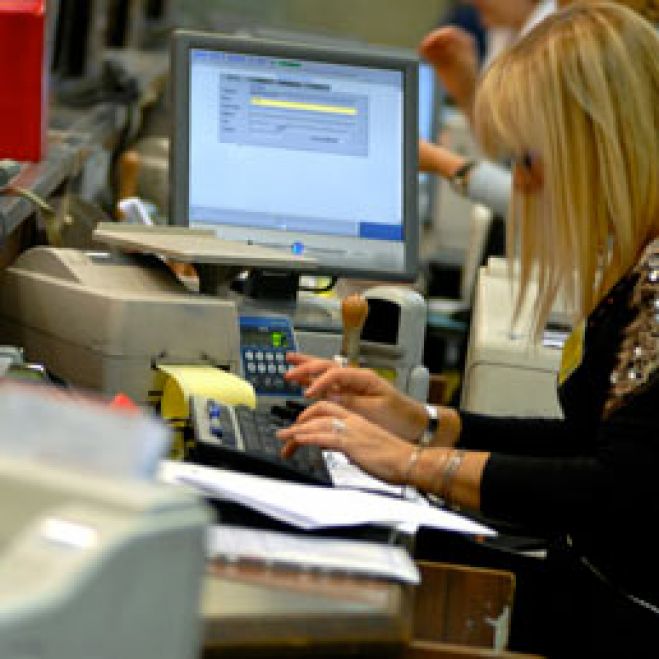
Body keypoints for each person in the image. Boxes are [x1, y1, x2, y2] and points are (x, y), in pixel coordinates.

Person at [279, 4, 659, 655]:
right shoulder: (637, 262)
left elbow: (614, 487)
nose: (519, 183)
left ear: (599, 147)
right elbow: (588, 439)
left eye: (526, 160)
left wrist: (416, 463)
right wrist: (425, 420)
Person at [420, 0, 657, 219]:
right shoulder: (516, 38)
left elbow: (563, 213)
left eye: (529, 161)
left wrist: (448, 166)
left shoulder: (572, 54)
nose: (520, 183)